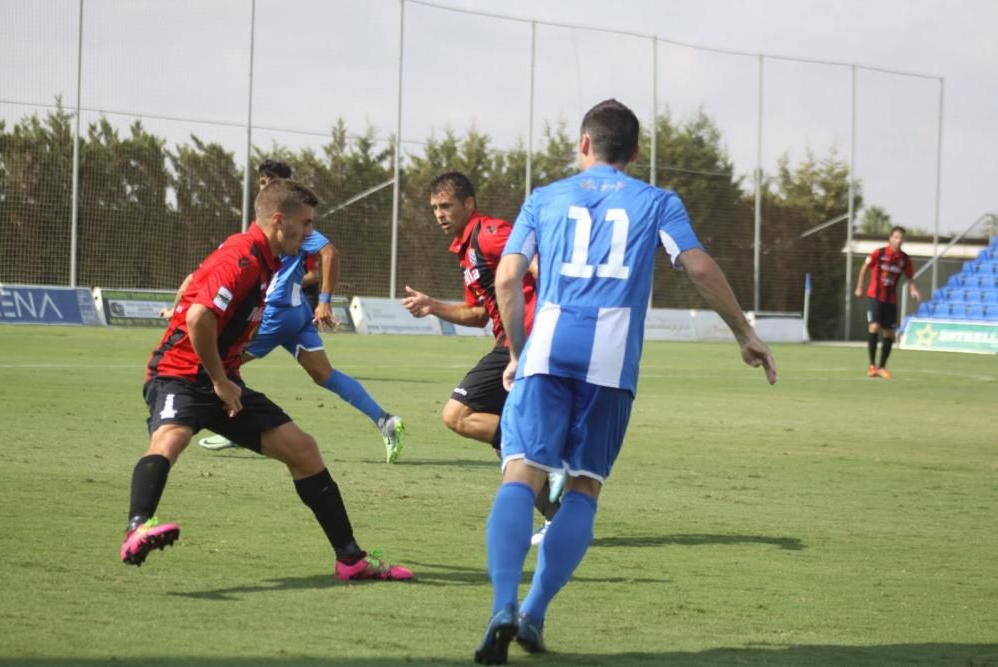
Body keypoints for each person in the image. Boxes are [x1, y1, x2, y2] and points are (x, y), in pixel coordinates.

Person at [473, 99, 777, 664]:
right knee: (584, 486)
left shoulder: (544, 198)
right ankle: (535, 613)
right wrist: (744, 334)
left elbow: (509, 278)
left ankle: (500, 606)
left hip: (549, 347)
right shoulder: (658, 202)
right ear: (634, 154)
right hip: (611, 360)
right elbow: (700, 268)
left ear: (582, 143)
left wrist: (517, 350)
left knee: (521, 472)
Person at [121, 178, 412, 581]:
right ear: (279, 220)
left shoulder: (267, 258)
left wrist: (225, 378)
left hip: (224, 380)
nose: (310, 233)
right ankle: (138, 529)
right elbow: (198, 316)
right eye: (305, 223)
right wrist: (220, 380)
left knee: (304, 451)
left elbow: (193, 282)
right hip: (181, 372)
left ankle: (351, 559)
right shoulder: (241, 259)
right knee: (172, 437)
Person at [164, 160, 404, 463]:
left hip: (276, 313)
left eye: (271, 181)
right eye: (263, 180)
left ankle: (234, 427)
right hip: (296, 312)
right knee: (323, 374)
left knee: (222, 362)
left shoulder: (293, 224)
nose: (265, 186)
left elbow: (329, 252)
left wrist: (326, 299)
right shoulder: (277, 227)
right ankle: (385, 421)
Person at [401, 172, 561, 544]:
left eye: (446, 206)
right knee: (503, 442)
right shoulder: (465, 248)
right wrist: (433, 306)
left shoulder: (489, 233)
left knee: (458, 415)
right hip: (508, 340)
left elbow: (538, 262)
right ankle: (559, 516)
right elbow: (477, 314)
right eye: (435, 208)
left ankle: (548, 455)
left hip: (524, 341)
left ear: (469, 204)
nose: (439, 214)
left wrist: (546, 320)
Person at [854, 225, 921, 379]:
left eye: (901, 238)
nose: (898, 240)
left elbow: (910, 277)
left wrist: (913, 289)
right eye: (896, 237)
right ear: (890, 238)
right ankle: (872, 366)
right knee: (874, 326)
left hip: (890, 300)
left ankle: (882, 367)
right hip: (874, 296)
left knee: (889, 332)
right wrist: (859, 287)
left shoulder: (904, 259)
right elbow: (865, 268)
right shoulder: (879, 253)